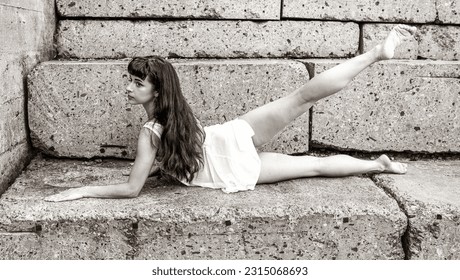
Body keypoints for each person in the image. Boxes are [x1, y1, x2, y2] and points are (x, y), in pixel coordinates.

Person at [45, 25, 416, 202]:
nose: (128, 87)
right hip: (232, 136)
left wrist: (82, 190)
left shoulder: (151, 133)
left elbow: (131, 189)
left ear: (155, 90)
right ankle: (373, 58)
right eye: (129, 80)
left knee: (312, 165)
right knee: (301, 97)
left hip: (231, 168)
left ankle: (379, 166)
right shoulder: (177, 112)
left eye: (135, 83)